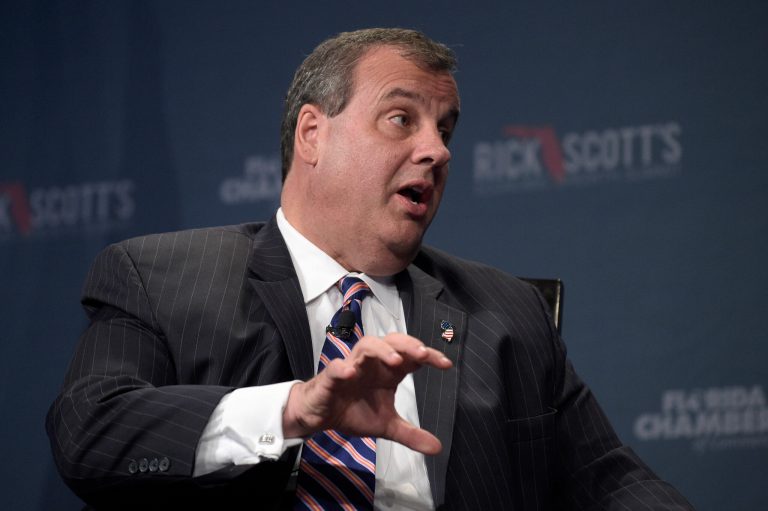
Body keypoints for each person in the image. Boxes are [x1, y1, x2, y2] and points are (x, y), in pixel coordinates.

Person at [47, 28, 694, 510]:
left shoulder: (507, 312)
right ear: (312, 135)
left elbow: (610, 478)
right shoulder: (158, 278)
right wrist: (293, 408)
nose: (436, 150)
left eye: (446, 129)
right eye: (400, 119)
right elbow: (88, 429)